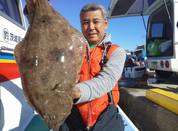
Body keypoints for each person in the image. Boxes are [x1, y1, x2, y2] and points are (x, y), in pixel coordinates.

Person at [59, 3, 126, 131]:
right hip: (74, 114)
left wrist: (77, 92)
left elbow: (107, 80)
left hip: (105, 115)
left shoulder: (116, 51)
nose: (91, 27)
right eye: (85, 22)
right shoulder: (70, 50)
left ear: (105, 24)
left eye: (96, 21)